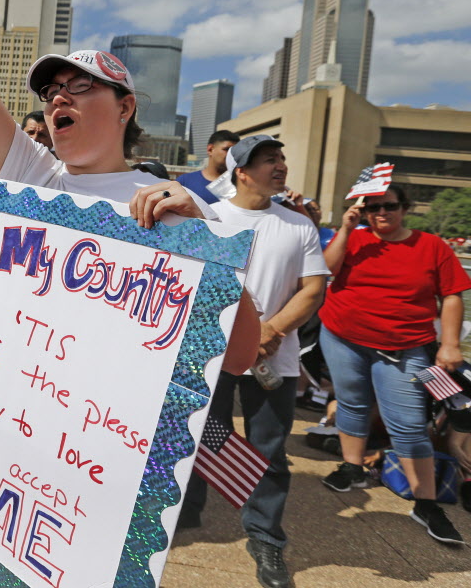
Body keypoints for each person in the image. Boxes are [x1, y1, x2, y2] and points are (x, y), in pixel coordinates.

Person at [0, 0, 259, 374]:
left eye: (80, 87)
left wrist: (203, 241)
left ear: (125, 106)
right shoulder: (34, 176)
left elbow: (240, 358)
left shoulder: (170, 207)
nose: (59, 99)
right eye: (51, 91)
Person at [178, 135, 329, 588]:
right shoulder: (211, 216)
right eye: (269, 161)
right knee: (202, 436)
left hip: (273, 361)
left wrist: (270, 330)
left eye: (282, 159)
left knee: (269, 450)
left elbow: (313, 288)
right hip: (213, 356)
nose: (280, 166)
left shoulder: (298, 225)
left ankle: (265, 536)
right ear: (241, 171)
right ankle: (184, 515)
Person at [319, 184, 470, 545]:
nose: (380, 213)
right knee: (352, 403)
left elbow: (451, 296)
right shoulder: (354, 239)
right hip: (343, 337)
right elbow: (324, 270)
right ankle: (352, 467)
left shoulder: (432, 245)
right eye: (372, 208)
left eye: (388, 206)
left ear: (404, 208)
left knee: (408, 424)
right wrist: (345, 228)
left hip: (404, 347)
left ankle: (426, 502)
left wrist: (449, 345)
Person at [177, 129, 239, 205]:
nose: (232, 155)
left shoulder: (242, 184)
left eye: (235, 151)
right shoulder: (185, 181)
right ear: (210, 149)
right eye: (227, 149)